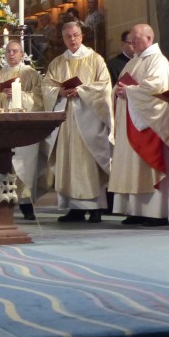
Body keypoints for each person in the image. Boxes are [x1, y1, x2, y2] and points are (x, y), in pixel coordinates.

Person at [42, 21, 113, 223]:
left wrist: (81, 91)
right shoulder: (57, 63)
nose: (72, 40)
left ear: (82, 36)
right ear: (63, 39)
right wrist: (59, 91)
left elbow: (105, 88)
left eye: (75, 35)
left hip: (89, 119)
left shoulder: (96, 60)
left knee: (89, 162)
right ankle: (74, 208)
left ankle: (95, 208)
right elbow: (46, 86)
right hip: (65, 120)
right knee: (68, 162)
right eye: (68, 37)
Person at [109, 24, 169, 227]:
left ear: (148, 38)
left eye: (136, 39)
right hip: (130, 121)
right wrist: (119, 91)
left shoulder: (158, 61)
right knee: (132, 168)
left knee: (149, 167)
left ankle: (156, 213)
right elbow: (119, 86)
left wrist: (129, 92)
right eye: (130, 40)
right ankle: (136, 210)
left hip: (149, 124)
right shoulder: (133, 62)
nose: (132, 44)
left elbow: (156, 87)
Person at [0, 39, 44, 220]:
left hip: (24, 127)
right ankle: (4, 202)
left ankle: (26, 203)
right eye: (9, 51)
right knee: (5, 164)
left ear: (22, 54)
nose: (11, 55)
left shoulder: (32, 74)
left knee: (25, 164)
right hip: (3, 126)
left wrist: (19, 94)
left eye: (15, 51)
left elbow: (40, 99)